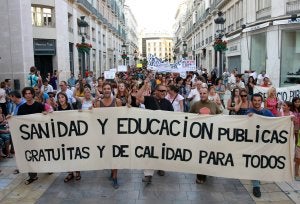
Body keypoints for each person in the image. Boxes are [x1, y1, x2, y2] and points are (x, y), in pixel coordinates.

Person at [136, 82, 174, 183]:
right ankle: (148, 174)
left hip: (163, 133)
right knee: (149, 152)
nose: (163, 93)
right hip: (150, 133)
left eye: (165, 91)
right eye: (161, 91)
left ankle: (161, 167)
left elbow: (173, 118)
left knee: (162, 152)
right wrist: (144, 85)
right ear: (156, 91)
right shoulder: (149, 99)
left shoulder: (167, 103)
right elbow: (138, 96)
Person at [189, 87, 222, 184]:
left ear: (207, 94)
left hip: (211, 135)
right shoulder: (195, 105)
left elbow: (220, 116)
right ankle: (200, 175)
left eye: (204, 93)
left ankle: (208, 171)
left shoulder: (213, 104)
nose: (202, 95)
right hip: (199, 135)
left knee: (209, 154)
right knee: (200, 155)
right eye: (201, 93)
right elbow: (189, 116)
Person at [94, 82, 122, 189]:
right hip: (103, 134)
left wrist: (128, 108)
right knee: (107, 154)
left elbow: (122, 116)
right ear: (102, 90)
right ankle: (112, 171)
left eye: (108, 88)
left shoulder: (117, 102)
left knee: (115, 155)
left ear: (111, 90)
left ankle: (115, 176)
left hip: (115, 134)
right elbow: (94, 118)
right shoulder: (98, 104)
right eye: (104, 88)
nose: (106, 90)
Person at [246, 93, 274, 198]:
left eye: (259, 100)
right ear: (252, 102)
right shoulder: (249, 112)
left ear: (261, 101)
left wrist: (288, 120)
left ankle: (257, 180)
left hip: (265, 143)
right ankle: (256, 185)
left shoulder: (267, 112)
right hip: (253, 143)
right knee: (255, 162)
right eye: (255, 100)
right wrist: (247, 118)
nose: (257, 102)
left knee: (262, 162)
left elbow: (277, 122)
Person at [17, 87, 46, 185]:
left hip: (39, 135)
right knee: (30, 155)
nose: (28, 95)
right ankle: (32, 176)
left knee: (43, 153)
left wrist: (45, 114)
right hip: (28, 137)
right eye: (26, 94)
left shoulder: (39, 106)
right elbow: (18, 121)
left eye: (30, 93)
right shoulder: (21, 108)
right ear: (24, 95)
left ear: (33, 94)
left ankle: (48, 168)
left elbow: (45, 119)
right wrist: (10, 118)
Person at [292, 97, 300, 180]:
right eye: (296, 102)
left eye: (299, 102)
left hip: (299, 131)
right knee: (294, 147)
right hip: (293, 131)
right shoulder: (292, 111)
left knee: (297, 148)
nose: (297, 103)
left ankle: (297, 171)